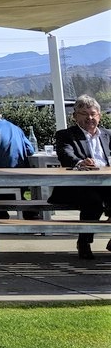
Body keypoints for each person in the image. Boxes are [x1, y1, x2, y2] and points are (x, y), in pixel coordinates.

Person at [48, 95, 111, 260]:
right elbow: (65, 154)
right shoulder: (66, 135)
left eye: (93, 113)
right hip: (78, 185)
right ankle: (84, 242)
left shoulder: (108, 134)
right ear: (75, 116)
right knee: (94, 202)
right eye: (84, 114)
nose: (89, 118)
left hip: (107, 183)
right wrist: (80, 162)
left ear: (99, 115)